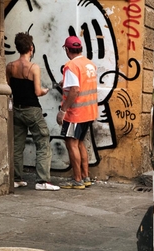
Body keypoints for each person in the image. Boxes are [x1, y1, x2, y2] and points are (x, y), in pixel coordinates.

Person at [6, 32, 60, 191]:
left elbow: (8, 86)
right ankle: (42, 181)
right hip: (32, 110)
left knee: (17, 145)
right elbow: (37, 92)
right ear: (31, 48)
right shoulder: (34, 67)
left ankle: (16, 179)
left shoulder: (10, 67)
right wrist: (45, 90)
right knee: (43, 141)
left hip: (16, 109)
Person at [56, 36, 97, 190]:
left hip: (76, 113)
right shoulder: (89, 64)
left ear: (67, 50)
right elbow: (81, 84)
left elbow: (75, 90)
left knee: (71, 143)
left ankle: (77, 180)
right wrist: (64, 83)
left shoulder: (71, 66)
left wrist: (62, 111)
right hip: (89, 112)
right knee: (79, 143)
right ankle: (85, 177)